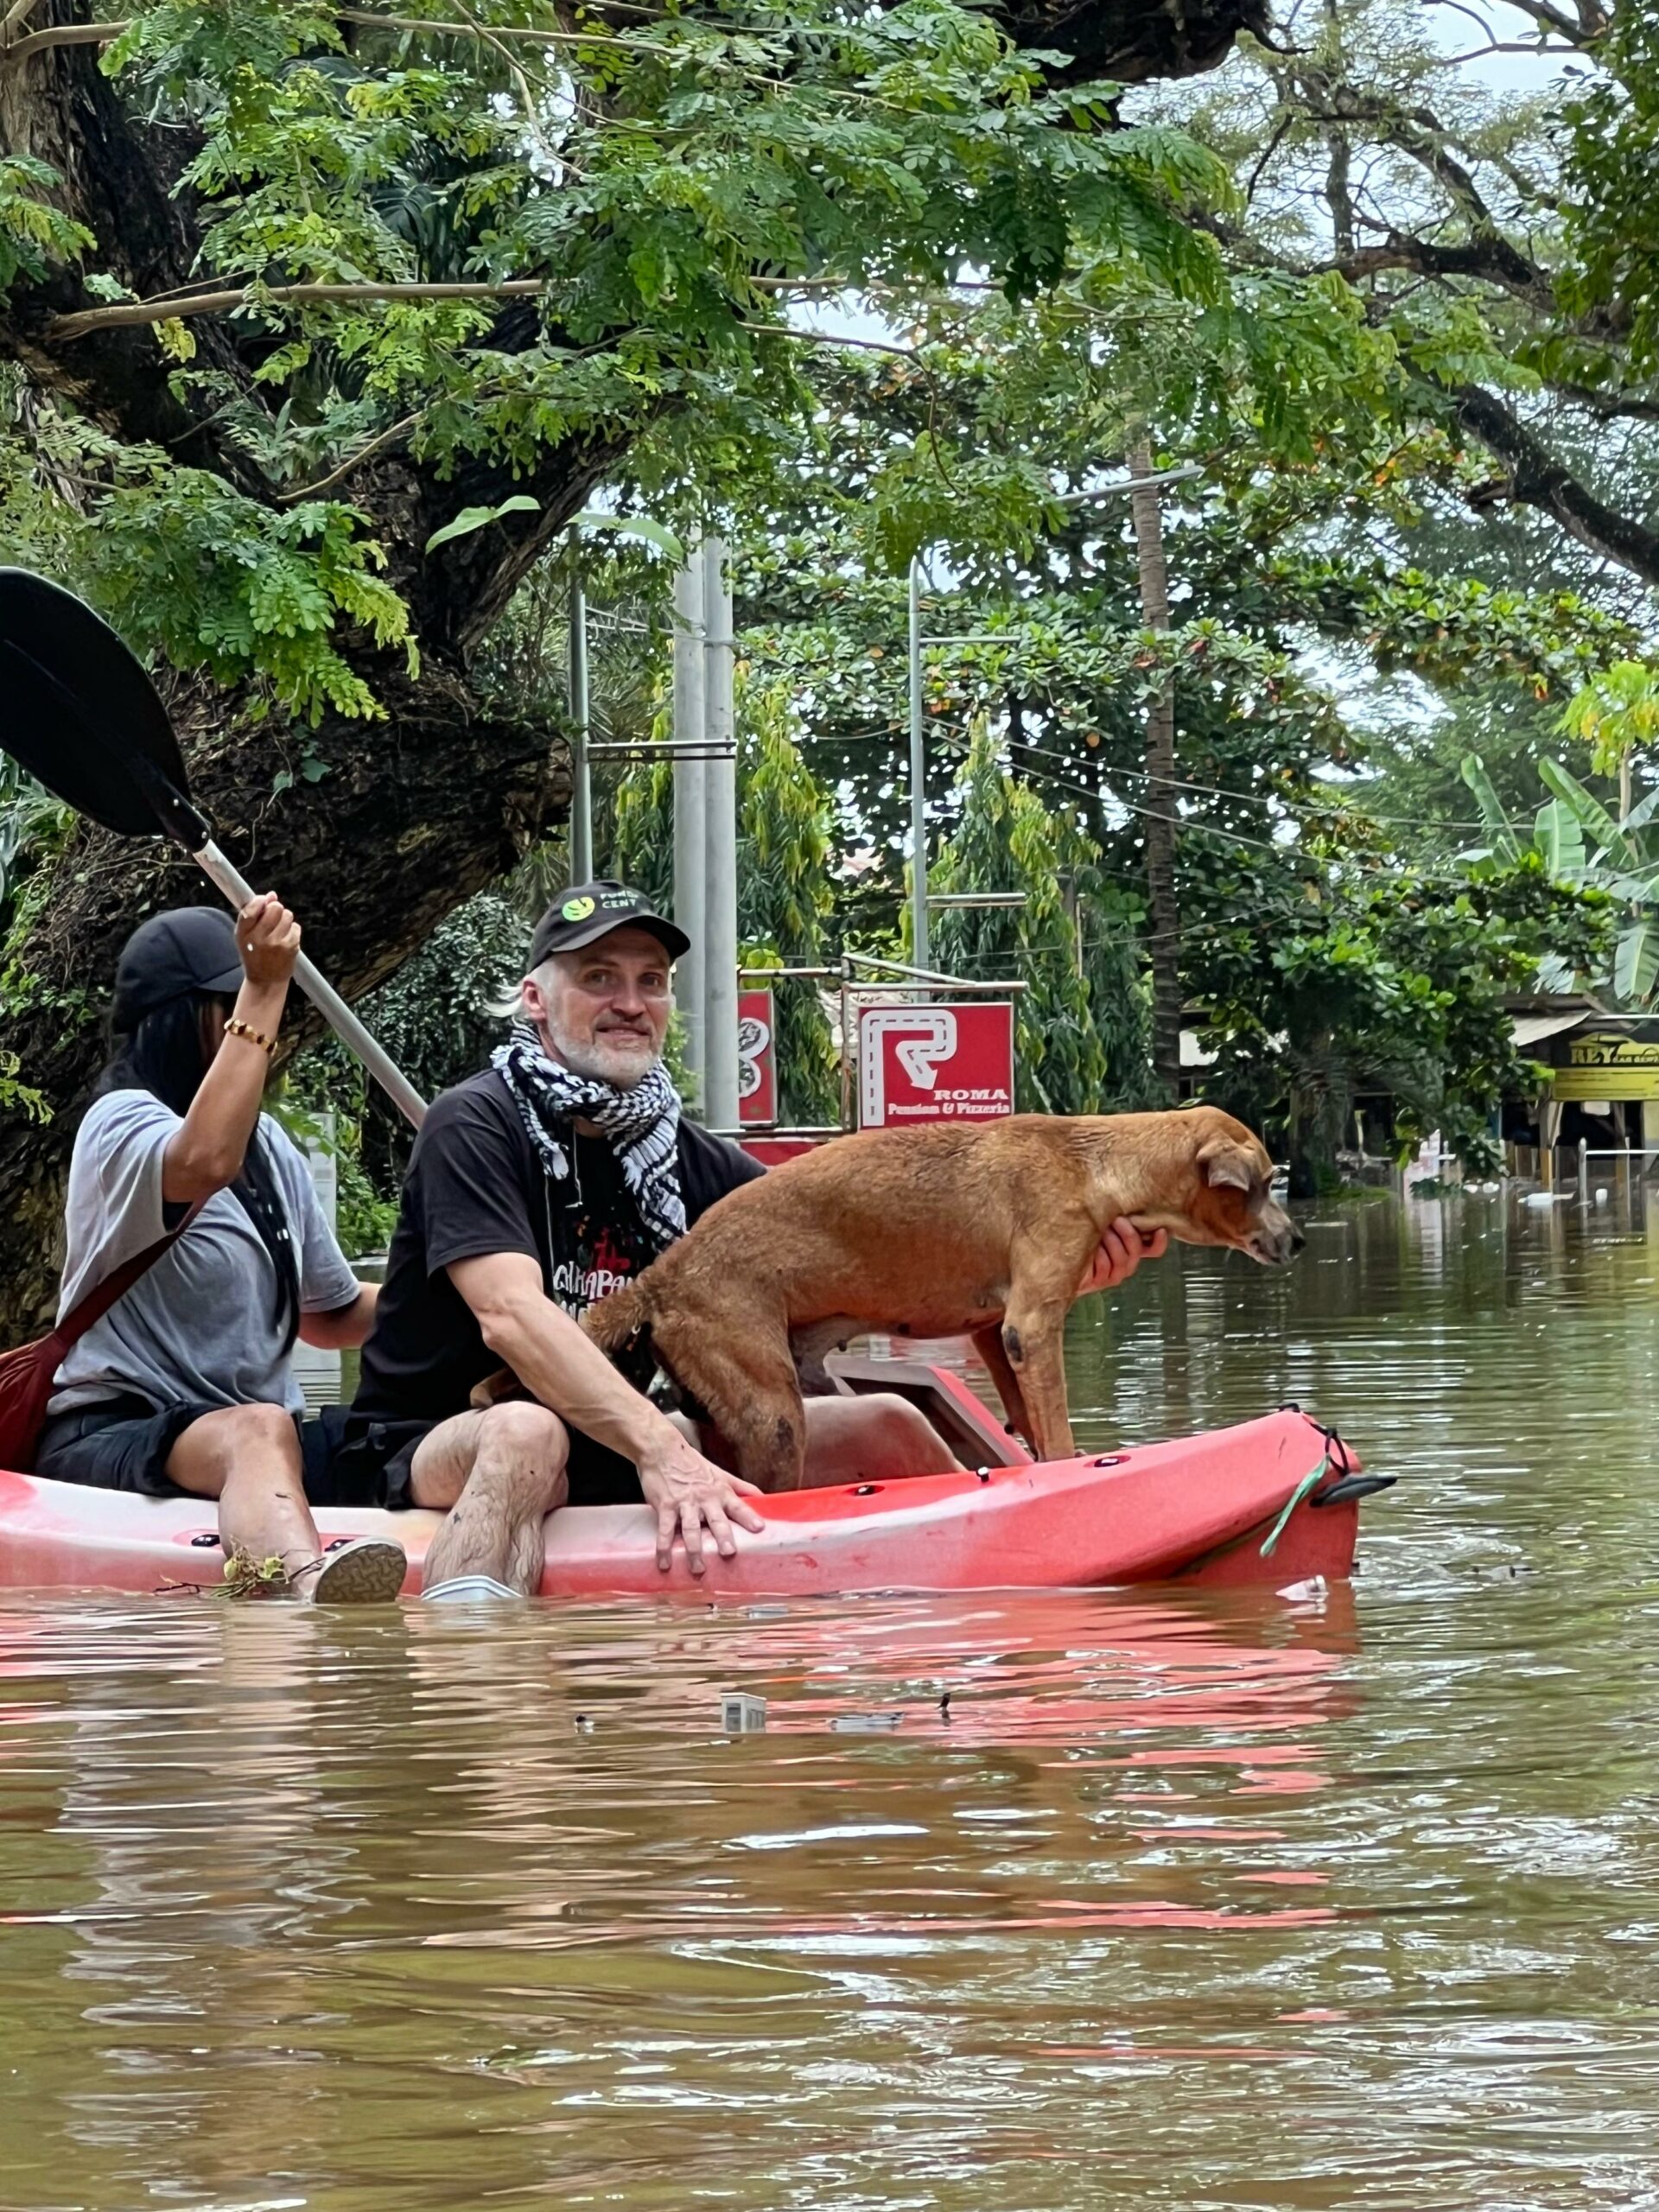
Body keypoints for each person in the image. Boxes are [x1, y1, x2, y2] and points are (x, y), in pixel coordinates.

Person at [338, 880, 1166, 1601]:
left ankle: (1037, 1576)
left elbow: (867, 1269)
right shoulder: (475, 1124)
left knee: (886, 1422)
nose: (630, 1001)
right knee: (529, 1433)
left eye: (651, 982)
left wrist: (1052, 1271)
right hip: (438, 1439)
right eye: (599, 978)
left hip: (612, 1436)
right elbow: (511, 1318)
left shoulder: (683, 1153)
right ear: (534, 999)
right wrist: (665, 1455)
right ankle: (468, 1682)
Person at [35, 898, 406, 1605]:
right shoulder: (120, 1122)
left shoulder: (271, 1148)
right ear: (181, 1019)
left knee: (428, 1434)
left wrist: (461, 1305)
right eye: (232, 1005)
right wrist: (264, 987)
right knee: (258, 1430)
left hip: (263, 1440)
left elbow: (329, 1315)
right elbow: (202, 1162)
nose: (263, 1030)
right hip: (125, 1428)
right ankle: (302, 1601)